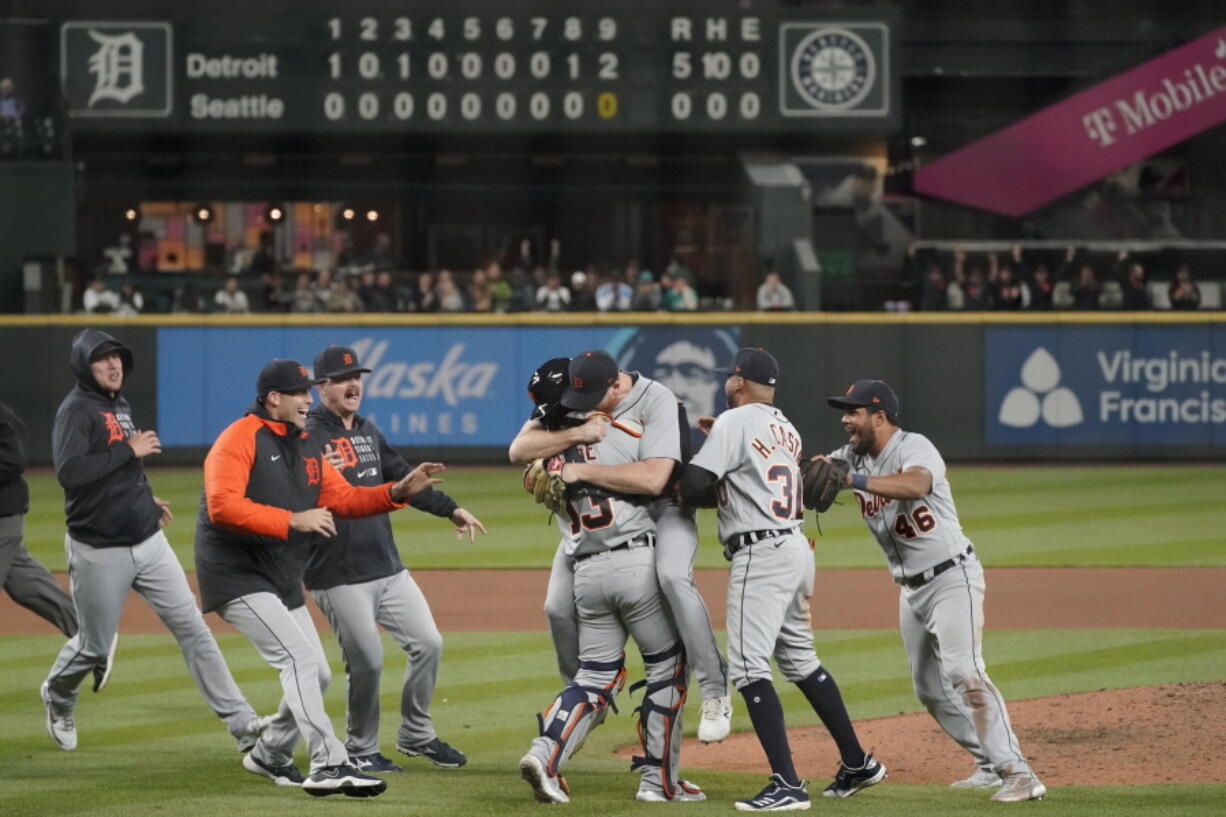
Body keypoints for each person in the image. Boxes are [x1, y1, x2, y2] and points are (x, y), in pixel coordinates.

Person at [194, 358, 445, 796]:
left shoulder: (305, 443)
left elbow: (343, 498)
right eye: (299, 393)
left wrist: (397, 491)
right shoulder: (238, 438)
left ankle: (268, 752)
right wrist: (292, 519)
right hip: (236, 573)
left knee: (319, 675)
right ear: (274, 398)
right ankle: (329, 763)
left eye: (309, 393)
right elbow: (222, 506)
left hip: (281, 573)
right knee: (300, 662)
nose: (308, 400)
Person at [676, 349, 886, 810]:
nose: (726, 382)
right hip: (794, 547)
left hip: (761, 553)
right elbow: (743, 483)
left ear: (738, 382)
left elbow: (693, 487)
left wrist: (679, 462)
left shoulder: (734, 422)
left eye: (730, 377)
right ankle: (857, 762)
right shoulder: (783, 427)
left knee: (750, 667)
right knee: (800, 661)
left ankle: (787, 784)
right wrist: (720, 450)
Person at [41, 329, 265, 755]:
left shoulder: (117, 404)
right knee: (94, 646)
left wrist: (142, 497)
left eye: (117, 358)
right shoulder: (76, 410)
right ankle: (58, 695)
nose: (113, 365)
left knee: (194, 629)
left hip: (147, 541)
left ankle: (244, 725)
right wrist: (129, 449)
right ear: (83, 367)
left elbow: (122, 468)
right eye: (102, 359)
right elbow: (70, 473)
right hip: (99, 550)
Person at [822, 379, 1046, 803]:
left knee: (965, 672)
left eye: (853, 412)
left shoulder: (913, 446)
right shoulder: (852, 454)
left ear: (880, 417)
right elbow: (811, 467)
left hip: (951, 577)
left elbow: (916, 485)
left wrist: (853, 480)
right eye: (844, 412)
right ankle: (988, 763)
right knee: (928, 687)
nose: (846, 420)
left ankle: (1019, 772)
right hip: (910, 590)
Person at [510, 349, 733, 748]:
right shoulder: (577, 392)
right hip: (607, 518)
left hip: (665, 505)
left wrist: (573, 470)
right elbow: (517, 451)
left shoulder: (655, 398)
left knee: (672, 576)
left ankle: (715, 689)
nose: (576, 408)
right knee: (556, 607)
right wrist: (576, 433)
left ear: (615, 385)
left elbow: (654, 479)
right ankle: (583, 695)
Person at [306, 345, 487, 773]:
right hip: (336, 571)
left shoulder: (367, 430)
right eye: (342, 378)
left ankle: (415, 734)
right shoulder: (308, 436)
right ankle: (361, 746)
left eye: (357, 376)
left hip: (386, 565)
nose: (353, 385)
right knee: (366, 660)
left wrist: (451, 508)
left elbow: (406, 480)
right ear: (321, 388)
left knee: (429, 644)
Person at [1, 400, 78, 639]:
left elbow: (14, 459)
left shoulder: (3, 416)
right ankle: (88, 634)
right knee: (24, 583)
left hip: (3, 514)